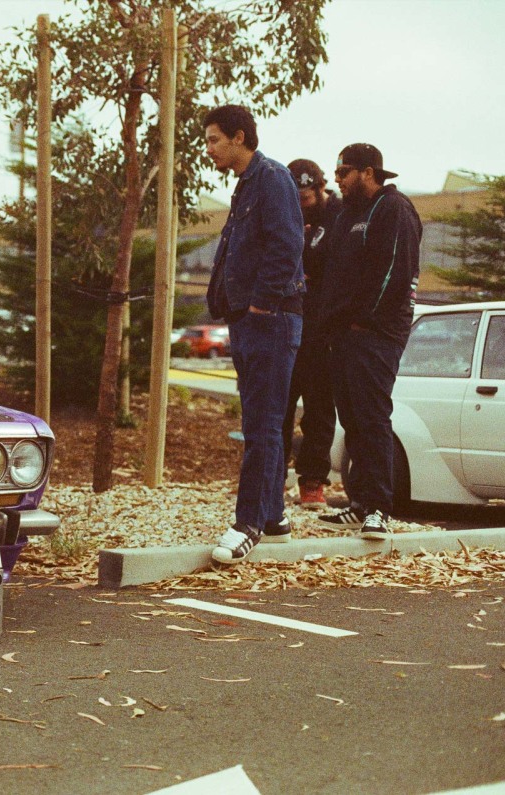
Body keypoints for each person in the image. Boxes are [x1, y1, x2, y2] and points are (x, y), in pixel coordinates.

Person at [202, 105, 305, 565]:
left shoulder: (272, 178)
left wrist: (263, 302)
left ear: (239, 137)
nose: (209, 149)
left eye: (214, 140)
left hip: (272, 318)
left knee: (261, 426)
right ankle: (274, 517)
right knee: (263, 421)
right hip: (251, 319)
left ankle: (248, 525)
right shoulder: (246, 185)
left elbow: (288, 244)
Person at [316, 144, 421, 539]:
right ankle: (359, 503)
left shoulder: (394, 209)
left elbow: (396, 271)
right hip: (343, 334)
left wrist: (363, 322)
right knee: (353, 420)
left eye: (344, 172)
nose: (338, 180)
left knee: (373, 418)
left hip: (376, 336)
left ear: (368, 172)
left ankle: (379, 507)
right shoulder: (347, 214)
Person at [282, 159, 342, 509]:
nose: (302, 203)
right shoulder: (282, 213)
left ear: (320, 189)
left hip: (321, 331)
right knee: (279, 409)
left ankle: (313, 483)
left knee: (320, 410)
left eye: (307, 197)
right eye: (297, 197)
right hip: (286, 326)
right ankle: (271, 480)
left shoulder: (339, 216)